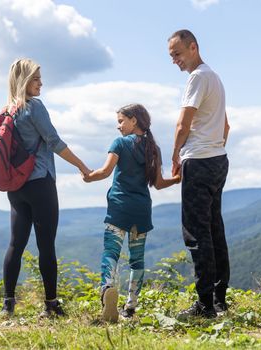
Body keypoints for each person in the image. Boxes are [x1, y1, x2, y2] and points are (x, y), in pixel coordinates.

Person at [1, 58, 91, 317]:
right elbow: (54, 141)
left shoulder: (9, 110)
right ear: (25, 81)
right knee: (46, 245)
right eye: (36, 79)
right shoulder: (34, 107)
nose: (41, 83)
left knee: (15, 244)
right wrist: (82, 167)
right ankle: (51, 306)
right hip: (40, 182)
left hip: (16, 187)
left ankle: (8, 305)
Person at [83, 103, 180, 322]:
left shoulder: (120, 143)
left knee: (111, 252)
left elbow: (106, 171)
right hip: (141, 210)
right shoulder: (153, 148)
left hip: (119, 207)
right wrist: (177, 178)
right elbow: (158, 183)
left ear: (133, 120)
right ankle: (130, 308)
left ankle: (107, 288)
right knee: (137, 260)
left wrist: (88, 176)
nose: (118, 127)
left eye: (121, 121)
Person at [168, 29, 230, 319]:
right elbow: (226, 127)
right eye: (171, 56)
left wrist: (176, 154)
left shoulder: (197, 77)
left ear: (193, 47)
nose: (175, 61)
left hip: (200, 160)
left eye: (178, 54)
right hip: (218, 159)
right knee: (215, 228)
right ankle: (219, 298)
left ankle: (205, 305)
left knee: (196, 232)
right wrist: (214, 147)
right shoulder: (215, 78)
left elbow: (183, 123)